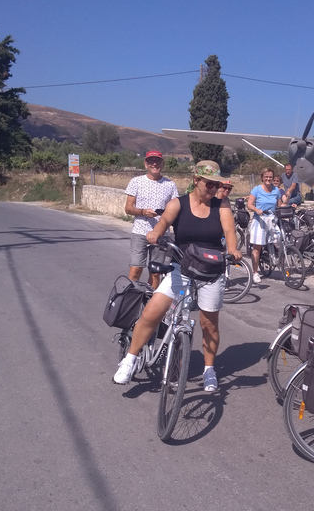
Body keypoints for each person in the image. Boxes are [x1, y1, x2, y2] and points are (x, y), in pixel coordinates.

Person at [113, 160, 242, 391]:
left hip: (210, 273)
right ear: (196, 181)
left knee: (209, 324)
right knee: (153, 312)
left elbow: (230, 230)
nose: (213, 188)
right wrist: (155, 233)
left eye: (216, 184)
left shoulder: (221, 206)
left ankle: (209, 370)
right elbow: (163, 222)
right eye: (209, 183)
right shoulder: (178, 203)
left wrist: (232, 249)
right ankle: (129, 361)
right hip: (181, 271)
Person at [124, 150, 179, 287]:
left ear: (162, 163)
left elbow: (175, 209)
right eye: (151, 161)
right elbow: (128, 208)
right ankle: (130, 299)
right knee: (136, 269)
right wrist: (143, 212)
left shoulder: (170, 185)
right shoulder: (136, 182)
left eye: (157, 161)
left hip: (161, 234)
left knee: (155, 272)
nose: (154, 164)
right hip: (140, 232)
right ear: (145, 164)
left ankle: (150, 302)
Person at [247, 168, 288, 284]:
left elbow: (279, 204)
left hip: (272, 219)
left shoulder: (276, 190)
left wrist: (289, 205)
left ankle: (276, 261)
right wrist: (257, 210)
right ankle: (255, 272)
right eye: (266, 177)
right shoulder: (257, 190)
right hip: (260, 220)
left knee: (279, 241)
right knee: (257, 247)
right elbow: (249, 204)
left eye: (270, 177)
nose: (268, 179)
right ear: (262, 177)